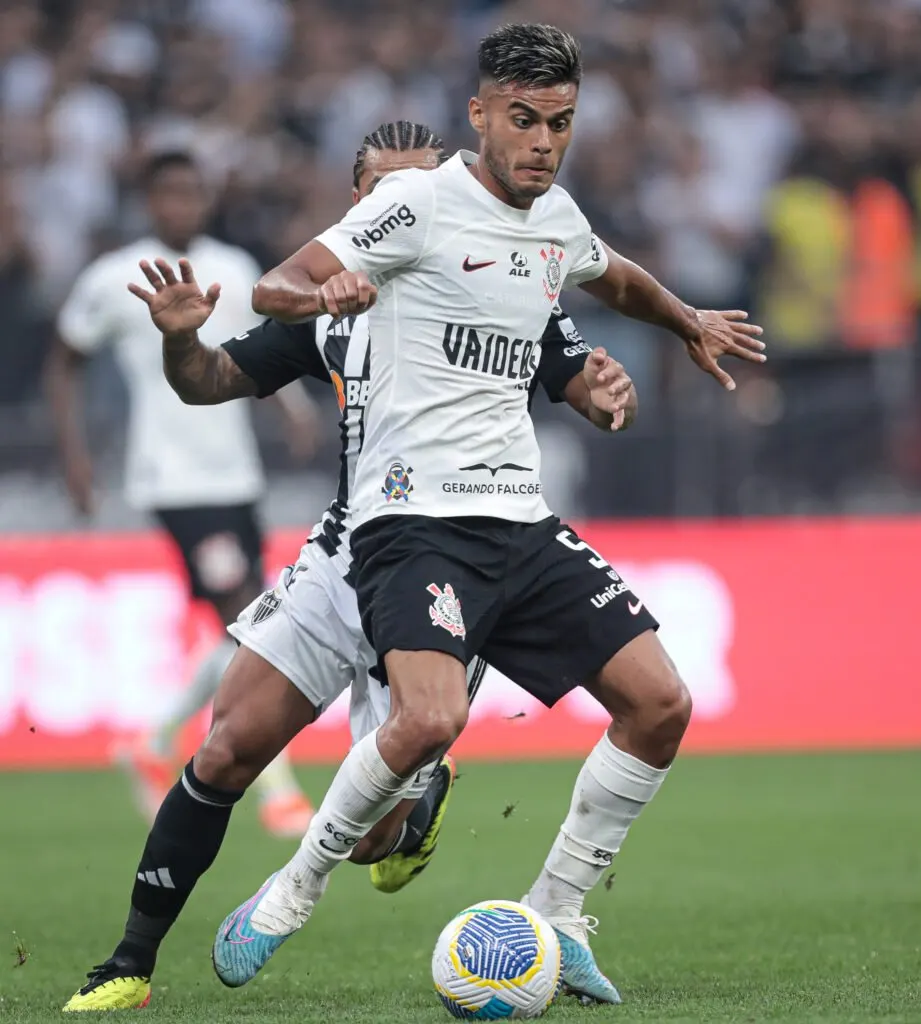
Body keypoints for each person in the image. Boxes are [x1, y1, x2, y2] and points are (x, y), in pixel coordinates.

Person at [212, 22, 765, 1007]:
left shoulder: (554, 213)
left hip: (519, 517)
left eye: (560, 122)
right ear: (480, 113)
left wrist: (688, 322)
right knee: (431, 716)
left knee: (661, 704)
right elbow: (275, 282)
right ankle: (291, 889)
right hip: (411, 518)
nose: (543, 141)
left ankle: (556, 912)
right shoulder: (417, 203)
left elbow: (615, 273)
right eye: (524, 119)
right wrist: (322, 290)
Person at [62, 121, 637, 1013]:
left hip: (452, 555)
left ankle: (420, 785)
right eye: (378, 190)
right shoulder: (326, 306)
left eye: (417, 188)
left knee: (378, 845)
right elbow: (209, 379)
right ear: (355, 203)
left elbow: (573, 373)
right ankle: (128, 965)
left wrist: (602, 395)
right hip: (349, 550)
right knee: (226, 745)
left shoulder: (497, 278)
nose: (398, 206)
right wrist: (181, 339)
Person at [46, 150, 319, 839]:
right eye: (168, 193)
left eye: (192, 192)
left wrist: (290, 412)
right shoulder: (115, 277)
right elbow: (64, 360)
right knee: (253, 620)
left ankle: (154, 738)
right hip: (171, 476)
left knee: (250, 621)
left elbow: (256, 352)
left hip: (236, 472)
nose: (181, 205)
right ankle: (275, 787)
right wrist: (75, 456)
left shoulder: (230, 263)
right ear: (148, 200)